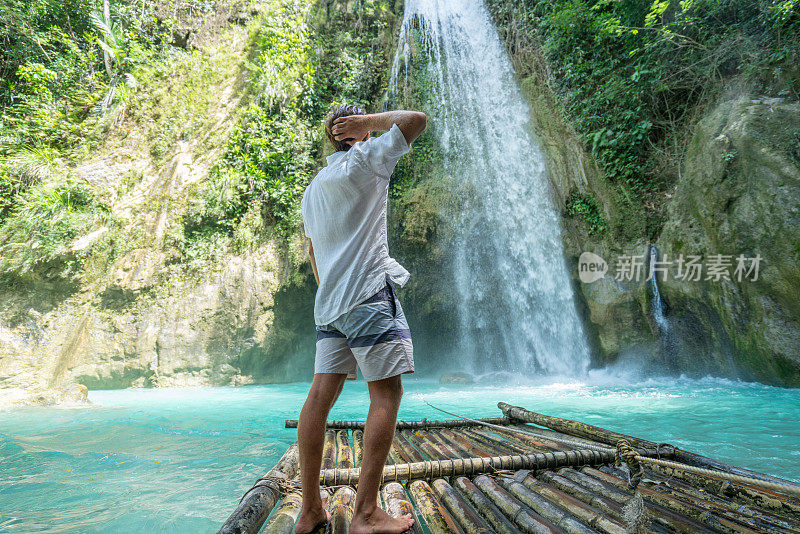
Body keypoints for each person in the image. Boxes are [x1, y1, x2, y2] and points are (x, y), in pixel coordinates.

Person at [294, 105, 427, 534]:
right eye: (362, 124)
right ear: (354, 132)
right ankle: (366, 512)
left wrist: (333, 304)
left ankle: (310, 509)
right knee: (387, 394)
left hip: (329, 306)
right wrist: (369, 124)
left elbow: (314, 254)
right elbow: (416, 120)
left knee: (319, 398)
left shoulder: (313, 190)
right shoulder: (367, 159)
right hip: (368, 296)